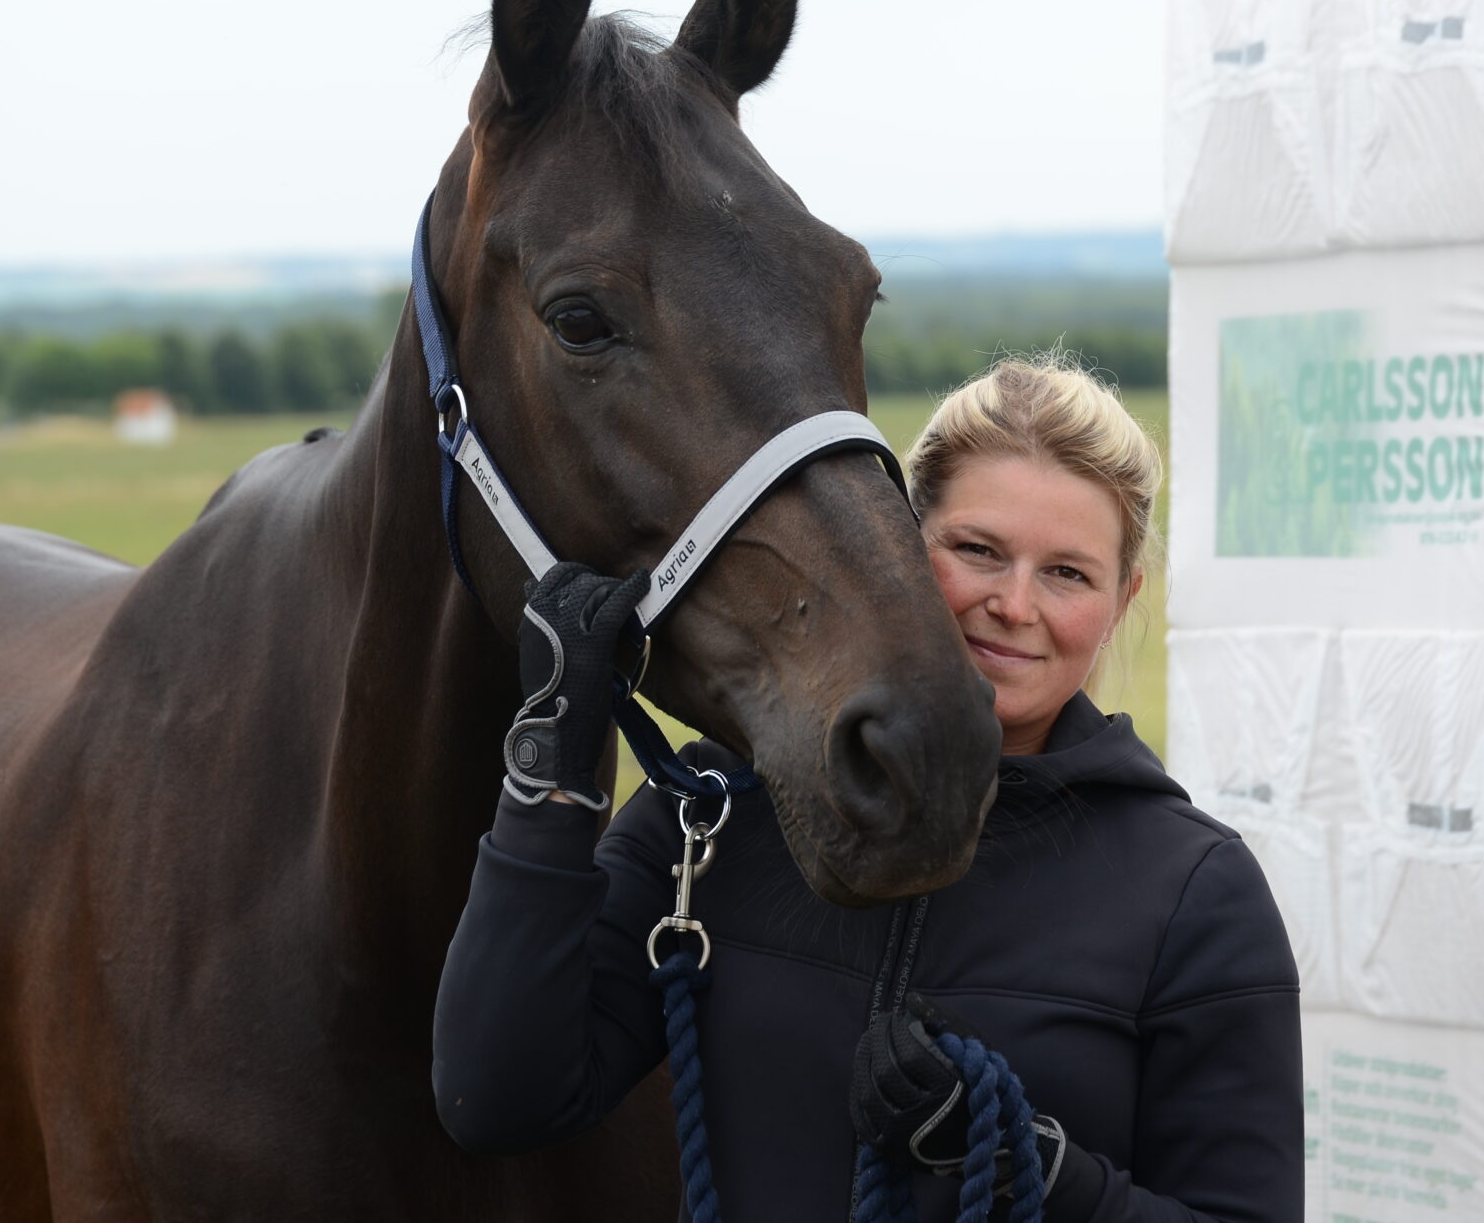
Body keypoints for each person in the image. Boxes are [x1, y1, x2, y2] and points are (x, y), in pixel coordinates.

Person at [433, 357, 1303, 1222]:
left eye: (1067, 573)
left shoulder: (1195, 892)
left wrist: (1020, 1163)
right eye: (977, 550)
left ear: (1122, 600)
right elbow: (499, 1095)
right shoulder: (719, 808)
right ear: (895, 544)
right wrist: (553, 768)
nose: (1013, 602)